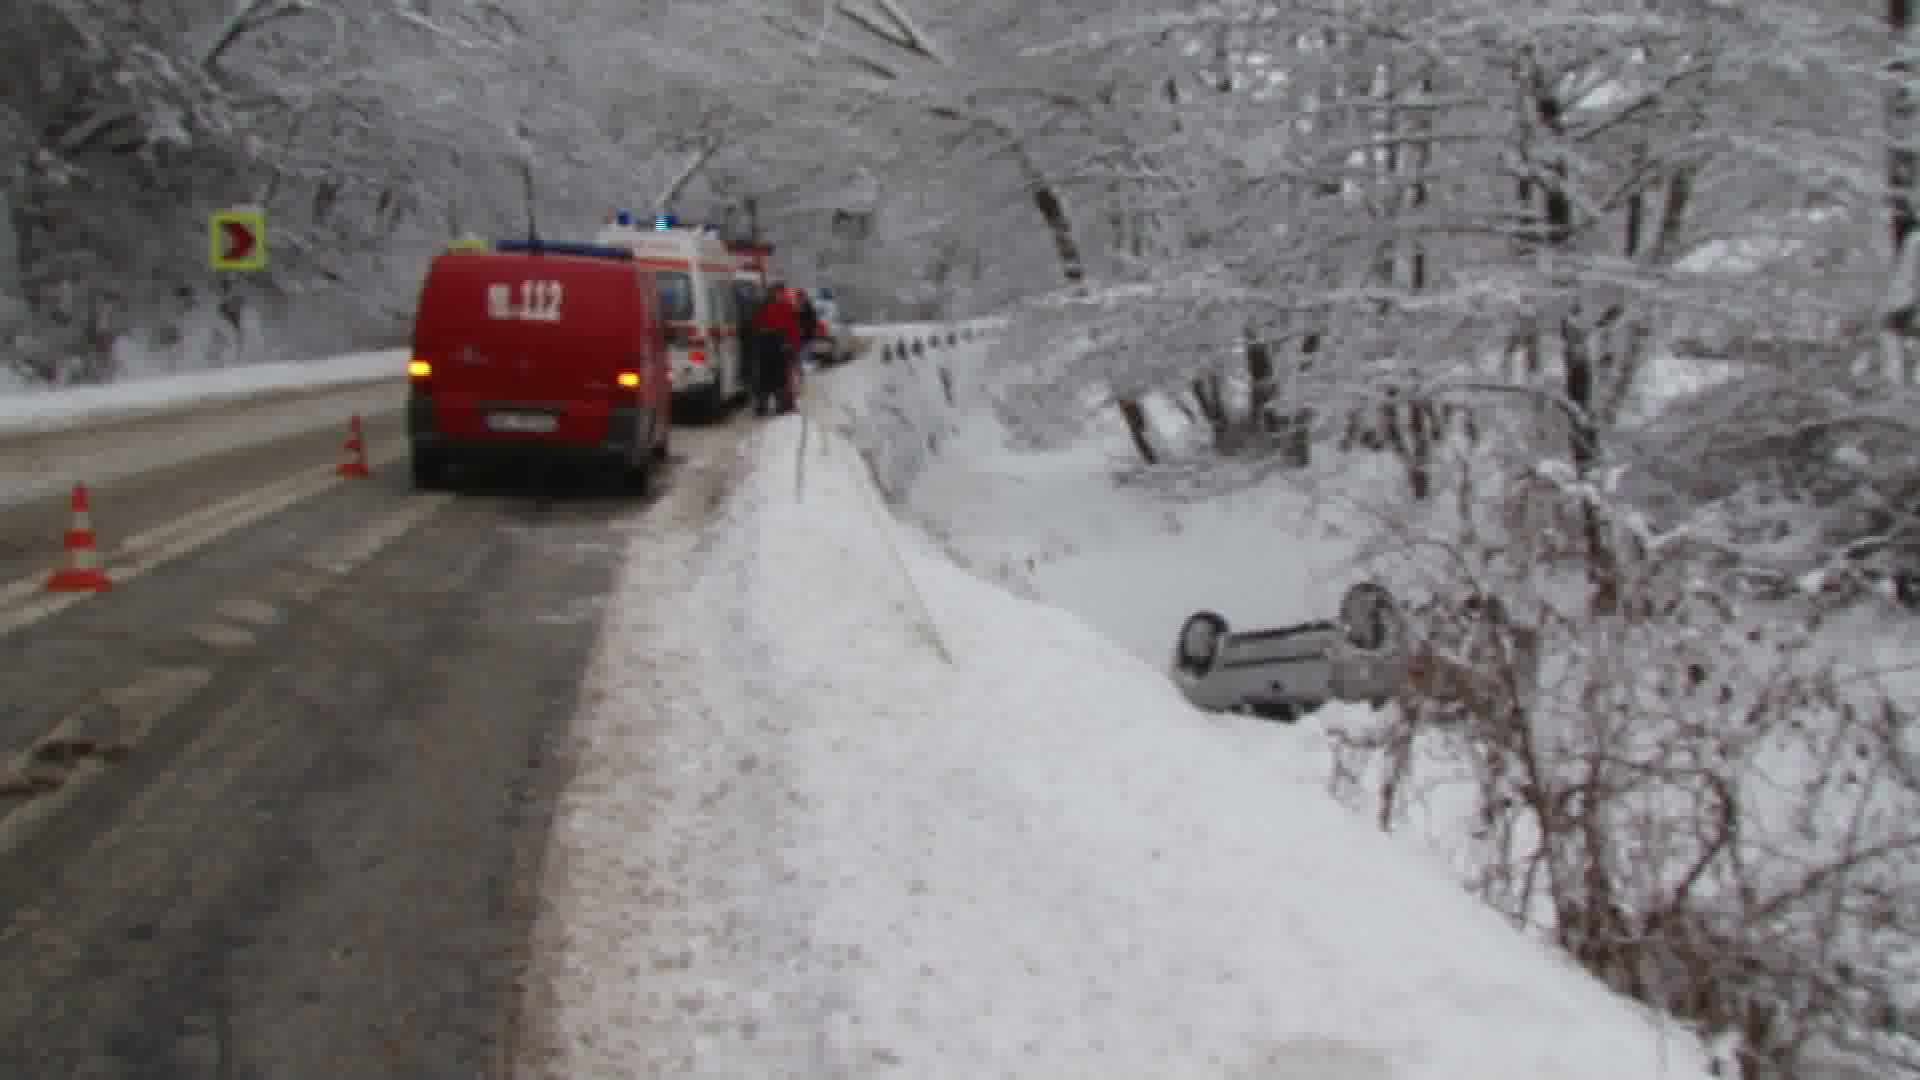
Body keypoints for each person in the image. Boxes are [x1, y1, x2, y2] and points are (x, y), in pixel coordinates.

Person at [748, 281, 801, 415]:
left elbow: (793, 328)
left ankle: (783, 404)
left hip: (780, 345)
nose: (780, 295)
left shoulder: (787, 307)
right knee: (766, 378)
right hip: (767, 345)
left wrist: (793, 345)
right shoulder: (764, 307)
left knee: (780, 378)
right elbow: (756, 324)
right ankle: (763, 405)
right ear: (773, 293)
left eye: (782, 293)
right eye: (778, 293)